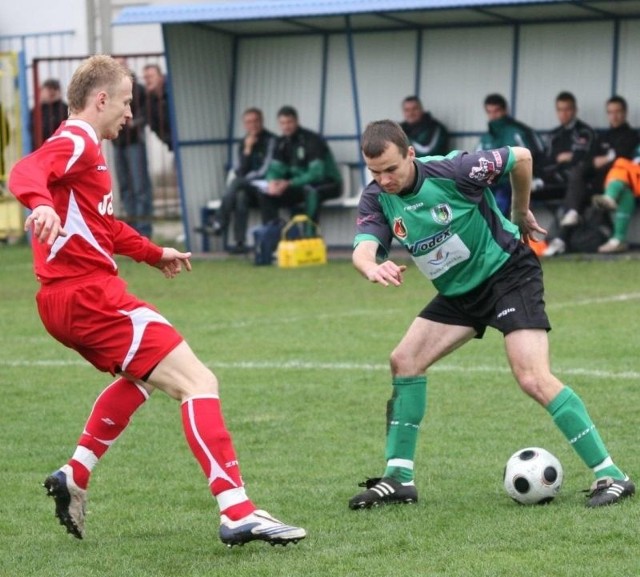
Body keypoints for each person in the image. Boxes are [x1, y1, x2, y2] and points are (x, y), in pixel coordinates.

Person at [8, 55, 305, 547]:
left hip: (64, 301)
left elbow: (102, 227)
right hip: (88, 295)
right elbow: (25, 170)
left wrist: (153, 252)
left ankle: (75, 473)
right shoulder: (78, 138)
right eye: (125, 103)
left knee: (142, 380)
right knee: (198, 382)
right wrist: (39, 204)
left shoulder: (88, 151)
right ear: (100, 100)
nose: (129, 114)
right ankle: (237, 509)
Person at [348, 119, 634, 511]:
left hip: (508, 275)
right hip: (459, 293)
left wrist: (520, 210)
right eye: (374, 171)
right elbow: (363, 248)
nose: (383, 179)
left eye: (391, 169)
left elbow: (522, 156)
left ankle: (612, 475)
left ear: (410, 154)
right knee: (405, 361)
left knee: (532, 377)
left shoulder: (455, 169)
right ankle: (399, 479)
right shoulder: (377, 198)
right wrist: (371, 267)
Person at [545, 95, 639, 255]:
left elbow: (622, 158)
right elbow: (588, 162)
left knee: (622, 189)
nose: (614, 116)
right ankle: (565, 228)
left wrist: (605, 159)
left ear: (625, 113)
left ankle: (614, 238)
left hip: (619, 183)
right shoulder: (602, 137)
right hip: (596, 184)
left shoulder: (632, 135)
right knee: (577, 181)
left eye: (618, 112)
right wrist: (606, 158)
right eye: (610, 112)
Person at [261, 105, 342, 226]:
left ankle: (309, 236)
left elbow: (316, 174)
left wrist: (289, 183)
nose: (286, 126)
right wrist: (272, 182)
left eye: (289, 122)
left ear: (297, 121)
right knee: (266, 193)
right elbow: (275, 169)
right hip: (299, 184)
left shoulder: (312, 140)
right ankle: (271, 235)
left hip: (329, 183)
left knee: (311, 191)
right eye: (282, 123)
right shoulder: (281, 143)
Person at [540, 91, 597, 257]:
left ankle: (560, 239)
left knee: (573, 184)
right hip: (550, 180)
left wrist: (565, 159)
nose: (564, 113)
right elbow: (546, 161)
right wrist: (562, 158)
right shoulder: (553, 135)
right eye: (560, 109)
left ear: (575, 110)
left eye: (567, 109)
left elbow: (581, 160)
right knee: (516, 187)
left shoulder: (585, 132)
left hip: (577, 182)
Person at [213, 107, 276, 254]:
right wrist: (248, 149)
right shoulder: (244, 143)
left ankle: (219, 221)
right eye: (249, 122)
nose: (252, 125)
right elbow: (239, 169)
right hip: (249, 187)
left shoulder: (271, 140)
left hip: (266, 185)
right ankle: (240, 243)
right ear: (244, 125)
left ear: (262, 121)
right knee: (241, 196)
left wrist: (244, 179)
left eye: (255, 121)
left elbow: (265, 169)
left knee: (237, 183)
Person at [478, 93, 545, 216]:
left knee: (499, 202)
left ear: (505, 110)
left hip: (512, 181)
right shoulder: (486, 138)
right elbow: (476, 161)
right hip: (490, 182)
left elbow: (536, 157)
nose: (493, 116)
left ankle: (496, 233)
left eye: (496, 111)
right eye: (489, 112)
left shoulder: (518, 132)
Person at [111, 58, 154, 238]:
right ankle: (132, 230)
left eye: (122, 64)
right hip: (117, 143)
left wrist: (134, 123)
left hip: (135, 142)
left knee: (140, 187)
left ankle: (144, 228)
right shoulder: (110, 89)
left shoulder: (139, 89)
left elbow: (147, 114)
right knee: (125, 188)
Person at [591, 146, 640, 253]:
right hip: (634, 181)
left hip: (633, 176)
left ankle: (609, 197)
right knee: (626, 195)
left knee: (620, 168)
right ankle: (618, 240)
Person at [30, 78, 68, 149]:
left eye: (55, 88)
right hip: (38, 150)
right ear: (41, 91)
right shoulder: (35, 111)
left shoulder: (65, 109)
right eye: (49, 88)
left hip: (57, 148)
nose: (52, 91)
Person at [142, 63, 172, 150]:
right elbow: (153, 125)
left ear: (160, 77)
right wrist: (168, 140)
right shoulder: (149, 100)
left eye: (151, 76)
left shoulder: (172, 91)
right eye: (145, 77)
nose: (148, 80)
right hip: (172, 142)